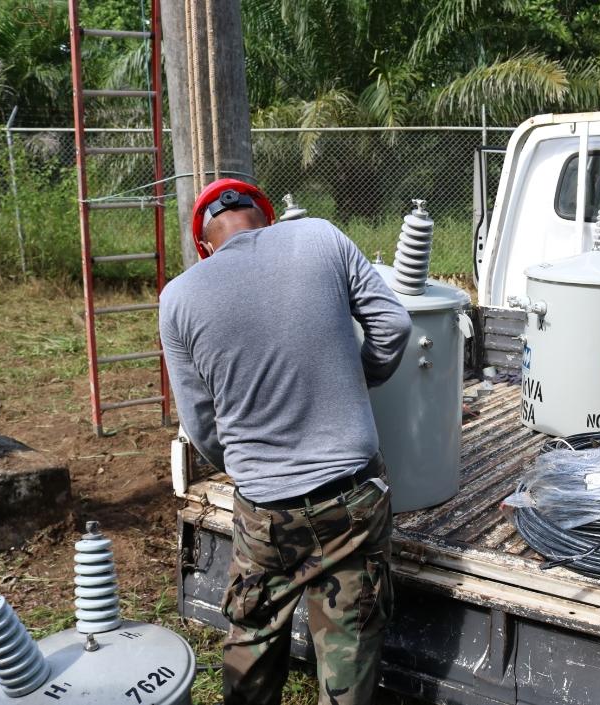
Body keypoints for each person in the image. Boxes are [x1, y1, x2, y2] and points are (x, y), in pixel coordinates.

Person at [159, 178, 412, 705]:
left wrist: (252, 462)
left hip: (265, 511)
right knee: (350, 641)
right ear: (267, 218)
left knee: (253, 631)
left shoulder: (178, 297)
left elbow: (200, 421)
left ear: (204, 244)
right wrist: (350, 382)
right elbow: (393, 325)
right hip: (353, 499)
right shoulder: (321, 237)